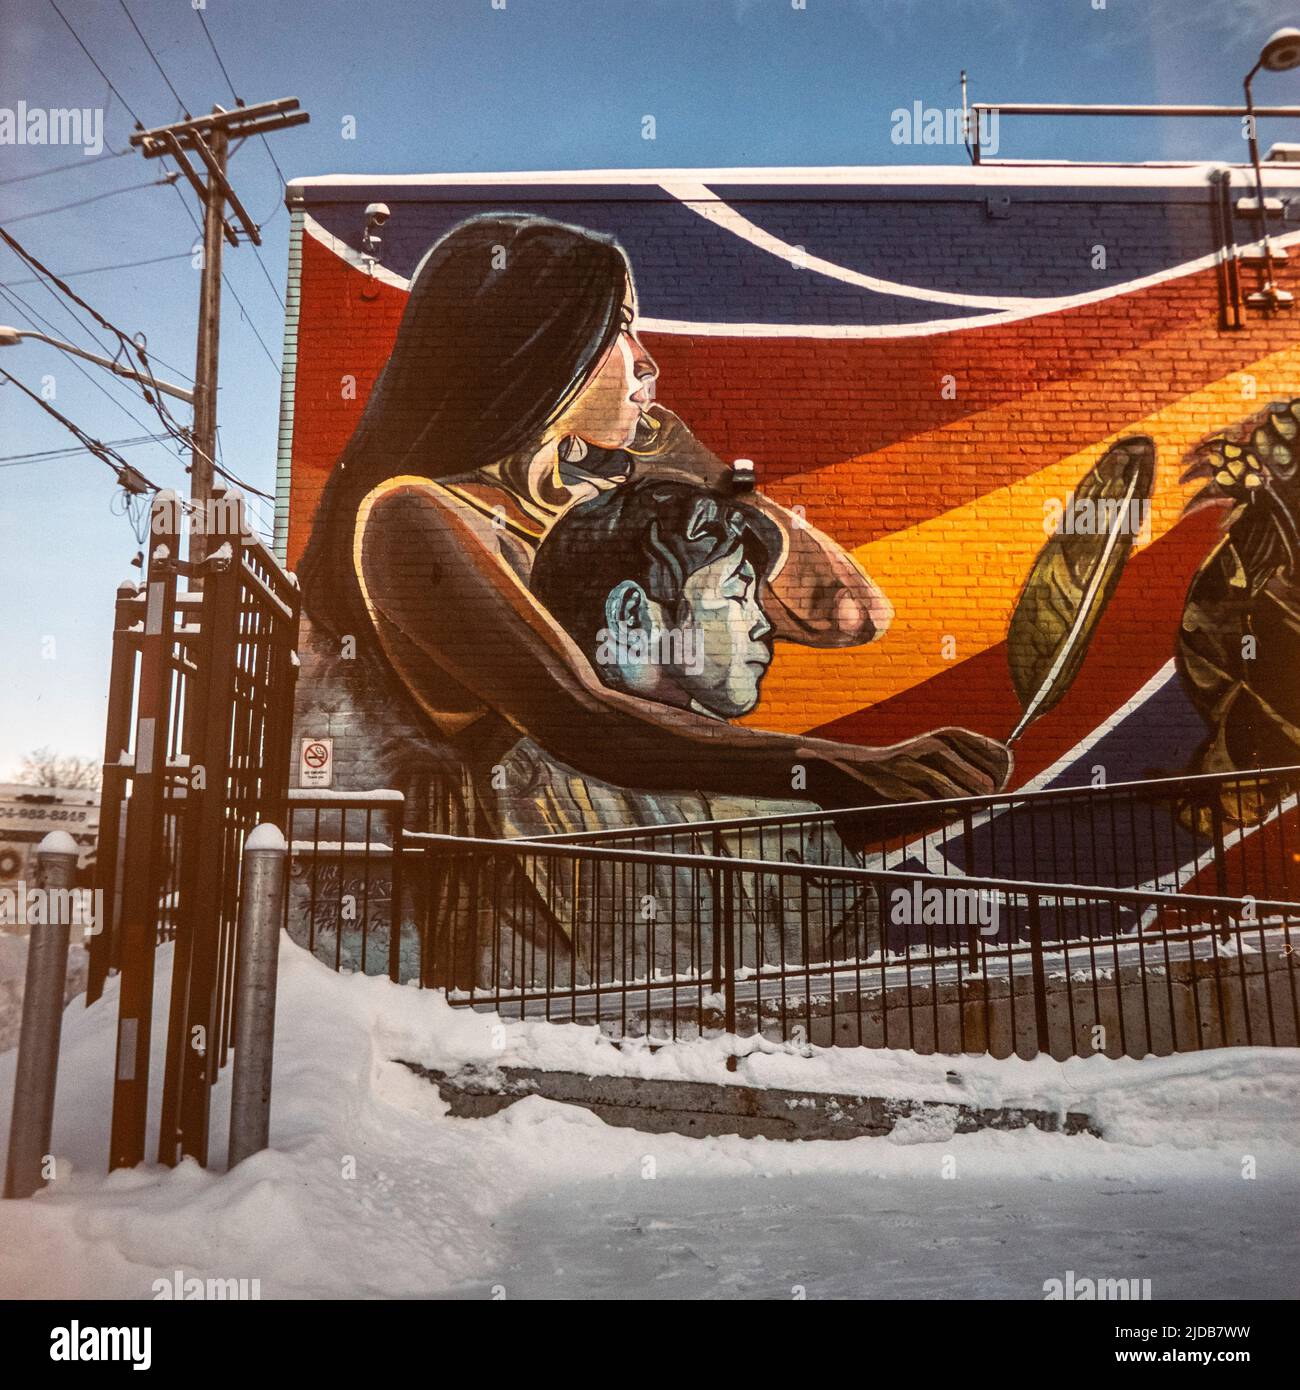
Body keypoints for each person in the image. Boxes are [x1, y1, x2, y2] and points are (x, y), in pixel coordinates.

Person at [296, 213, 1010, 864]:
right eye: (621, 327)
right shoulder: (409, 514)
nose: (647, 363)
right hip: (522, 903)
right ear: (540, 348)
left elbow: (851, 615)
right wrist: (841, 767)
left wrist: (711, 477)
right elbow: (579, 717)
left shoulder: (606, 497)